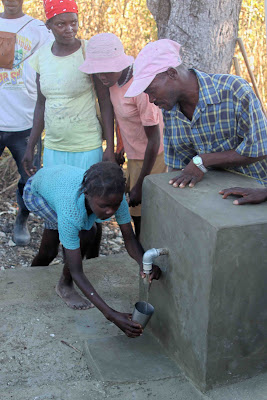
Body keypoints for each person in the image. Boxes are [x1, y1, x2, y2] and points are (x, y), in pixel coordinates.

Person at [23, 161, 161, 338]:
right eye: (104, 206)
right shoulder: (70, 210)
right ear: (87, 194)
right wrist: (111, 314)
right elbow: (76, 271)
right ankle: (63, 285)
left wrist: (144, 263)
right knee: (72, 239)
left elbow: (129, 238)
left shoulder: (113, 197)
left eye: (116, 205)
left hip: (57, 182)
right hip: (36, 193)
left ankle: (36, 272)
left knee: (80, 235)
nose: (111, 211)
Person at [125, 39, 267, 189]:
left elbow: (261, 148)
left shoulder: (234, 91)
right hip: (209, 194)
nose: (151, 99)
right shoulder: (170, 111)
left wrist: (203, 160)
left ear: (172, 73)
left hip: (255, 190)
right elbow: (176, 166)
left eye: (151, 91)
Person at [79, 33, 166, 240]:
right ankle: (142, 256)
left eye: (106, 70)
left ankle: (147, 259)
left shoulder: (141, 88)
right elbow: (122, 118)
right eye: (97, 71)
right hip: (133, 154)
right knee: (136, 213)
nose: (102, 76)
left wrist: (141, 183)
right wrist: (118, 148)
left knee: (145, 215)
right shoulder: (114, 82)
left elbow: (155, 140)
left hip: (153, 159)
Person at [22, 0, 115, 178]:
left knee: (86, 200)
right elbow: (41, 105)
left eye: (73, 22)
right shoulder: (41, 57)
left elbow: (105, 102)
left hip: (86, 146)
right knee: (58, 199)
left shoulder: (89, 52)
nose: (69, 29)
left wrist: (109, 148)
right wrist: (31, 146)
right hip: (53, 147)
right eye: (61, 24)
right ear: (48, 25)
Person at [0, 0, 52, 246]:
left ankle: (22, 218)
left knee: (29, 176)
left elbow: (52, 66)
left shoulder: (39, 29)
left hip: (26, 121)